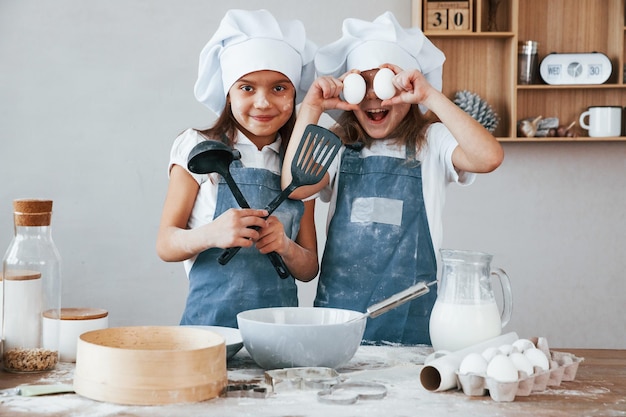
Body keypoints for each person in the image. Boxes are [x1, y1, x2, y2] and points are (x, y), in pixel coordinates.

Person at [282, 12, 504, 344]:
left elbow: (489, 157)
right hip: (341, 321)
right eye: (362, 84)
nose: (373, 95)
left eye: (385, 81)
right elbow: (294, 186)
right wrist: (312, 108)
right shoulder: (339, 141)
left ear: (407, 87)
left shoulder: (432, 141)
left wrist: (430, 96)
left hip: (413, 320)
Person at [156, 9, 319, 329]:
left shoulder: (300, 165)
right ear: (228, 91)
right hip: (207, 331)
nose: (262, 102)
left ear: (294, 94)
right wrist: (211, 234)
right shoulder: (197, 146)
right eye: (247, 88)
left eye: (279, 88)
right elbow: (165, 244)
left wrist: (285, 246)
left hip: (279, 333)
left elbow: (309, 267)